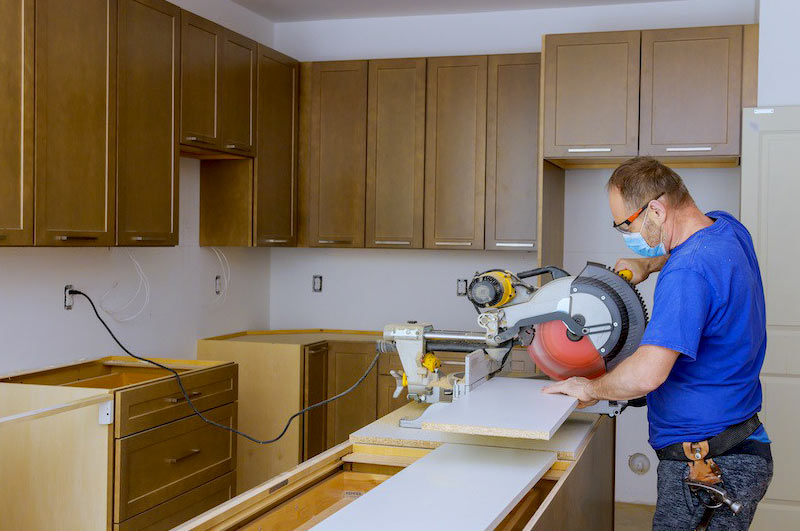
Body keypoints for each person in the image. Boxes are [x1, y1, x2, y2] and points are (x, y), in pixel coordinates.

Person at [542, 156, 772, 530]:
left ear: (656, 209)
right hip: (742, 442)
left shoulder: (687, 272)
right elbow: (693, 250)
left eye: (625, 225)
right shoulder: (727, 228)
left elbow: (648, 373)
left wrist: (590, 387)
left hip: (708, 465)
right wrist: (648, 264)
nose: (625, 234)